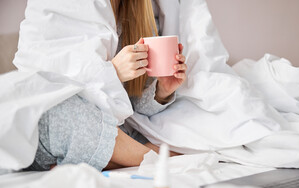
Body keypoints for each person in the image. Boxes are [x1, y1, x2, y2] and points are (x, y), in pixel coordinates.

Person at [24, 0, 187, 171]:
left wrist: (161, 91)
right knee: (58, 111)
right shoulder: (68, 7)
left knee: (121, 132)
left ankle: (95, 159)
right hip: (62, 127)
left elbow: (133, 111)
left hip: (113, 134)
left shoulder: (139, 14)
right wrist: (113, 71)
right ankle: (154, 157)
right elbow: (48, 80)